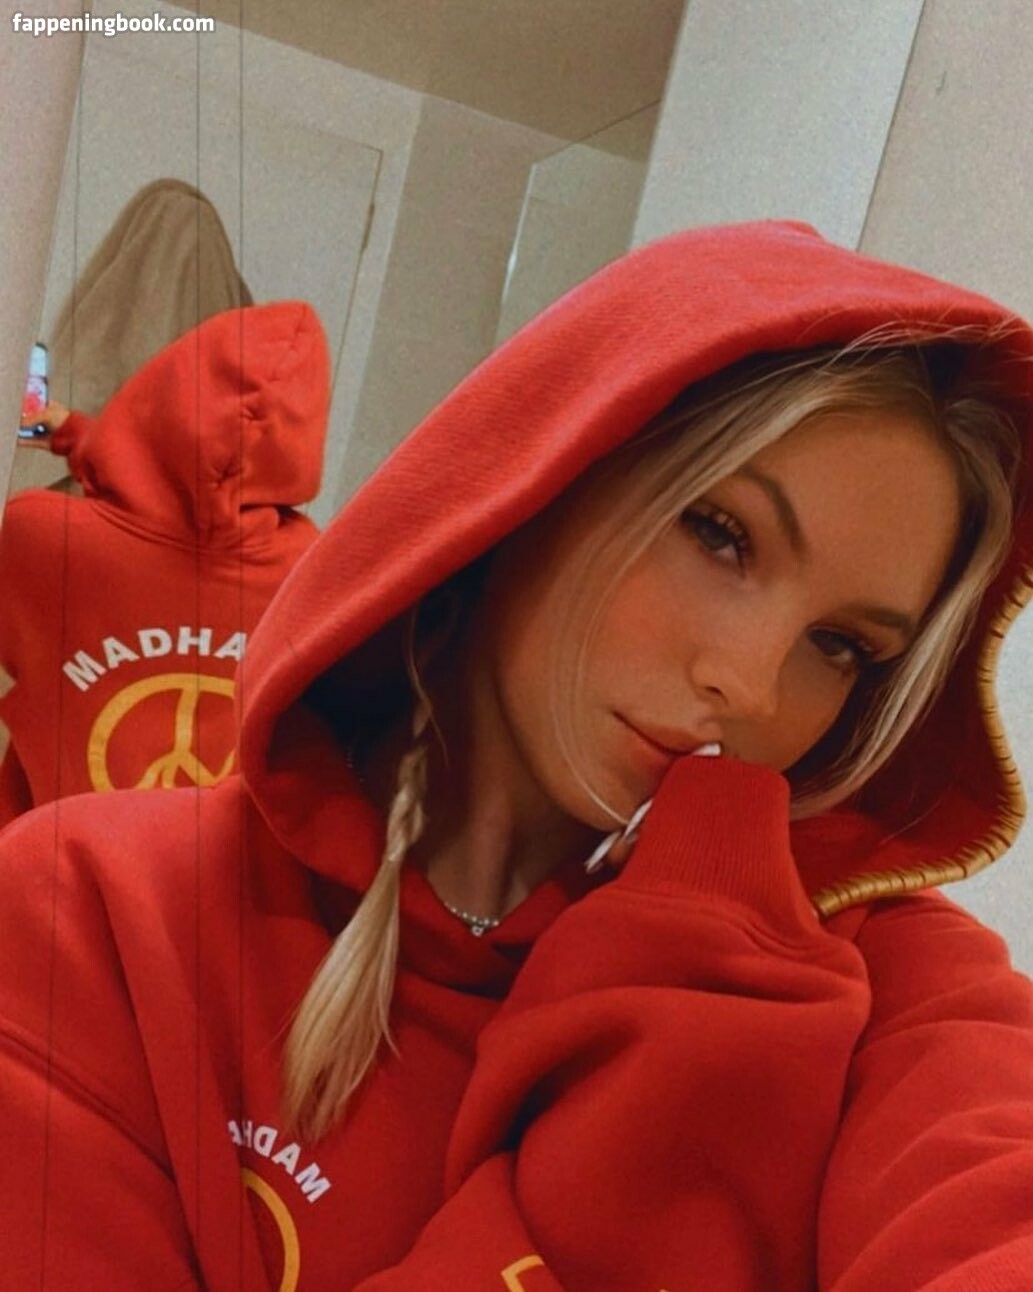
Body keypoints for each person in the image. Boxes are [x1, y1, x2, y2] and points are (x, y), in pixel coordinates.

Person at [2, 219, 1033, 1290]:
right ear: (542, 473)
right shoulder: (103, 914)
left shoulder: (882, 982)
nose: (753, 684)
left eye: (842, 646)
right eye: (719, 534)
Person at [0, 300, 328, 822]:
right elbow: (208, 492)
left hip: (35, 856)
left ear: (161, 394)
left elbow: (162, 496)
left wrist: (92, 441)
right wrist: (77, 433)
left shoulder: (36, 537)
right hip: (194, 866)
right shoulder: (310, 574)